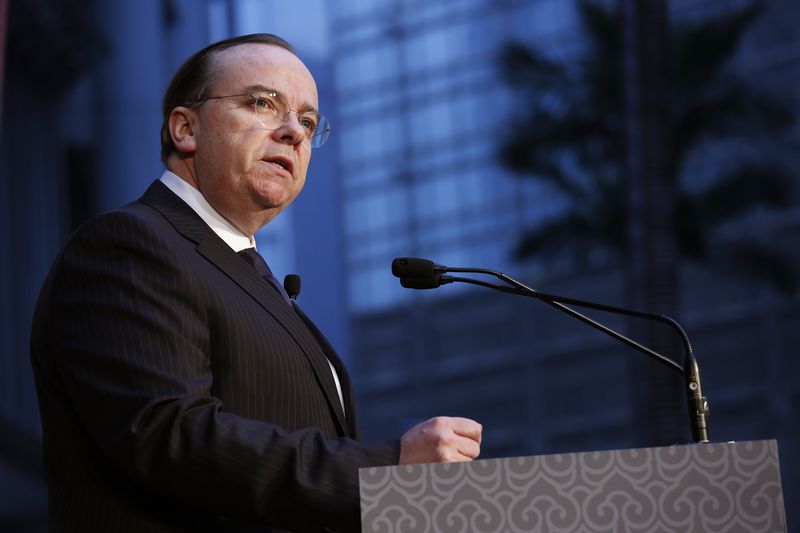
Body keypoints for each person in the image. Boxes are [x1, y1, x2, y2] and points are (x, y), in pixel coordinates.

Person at [30, 33, 482, 533]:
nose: (293, 132)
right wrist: (387, 470)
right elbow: (169, 432)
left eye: (308, 122)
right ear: (186, 128)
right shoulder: (129, 243)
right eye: (263, 103)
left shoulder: (246, 271)